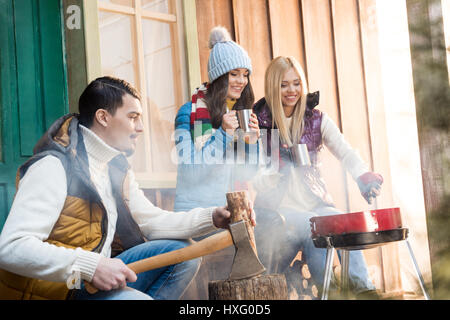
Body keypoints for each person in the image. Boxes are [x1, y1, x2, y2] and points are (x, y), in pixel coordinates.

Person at [0, 76, 252, 300]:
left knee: (184, 253)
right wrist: (90, 266)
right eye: (133, 118)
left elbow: (151, 222)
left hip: (91, 278)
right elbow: (11, 247)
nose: (141, 127)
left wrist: (212, 218)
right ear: (103, 117)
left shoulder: (115, 168)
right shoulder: (53, 166)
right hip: (58, 288)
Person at [252, 56, 383, 299]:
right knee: (315, 226)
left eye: (296, 83)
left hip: (314, 203)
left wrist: (362, 175)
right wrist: (266, 177)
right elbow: (253, 172)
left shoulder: (316, 118)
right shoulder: (259, 121)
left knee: (340, 221)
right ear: (272, 86)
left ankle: (363, 290)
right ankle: (330, 293)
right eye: (283, 85)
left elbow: (345, 151)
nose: (292, 90)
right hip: (278, 210)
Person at [173, 25, 260, 213]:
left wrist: (252, 144)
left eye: (245, 75)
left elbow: (247, 173)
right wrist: (224, 134)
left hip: (227, 212)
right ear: (219, 77)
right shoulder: (188, 114)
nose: (241, 81)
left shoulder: (237, 114)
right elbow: (191, 173)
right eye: (234, 74)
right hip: (194, 214)